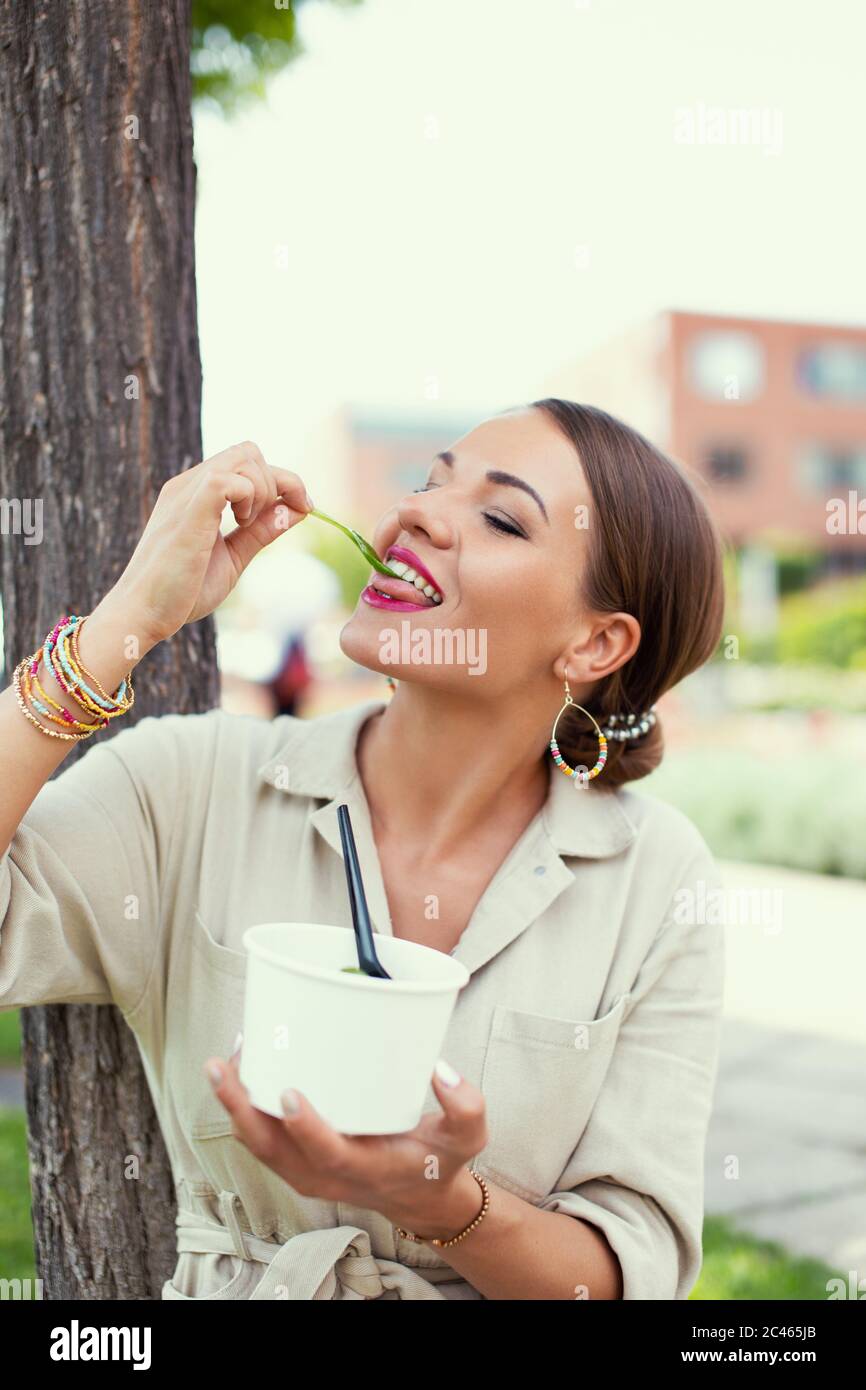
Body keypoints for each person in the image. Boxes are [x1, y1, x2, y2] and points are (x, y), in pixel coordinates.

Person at [0, 399, 726, 1300]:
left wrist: (440, 1201)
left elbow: (627, 1274)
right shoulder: (193, 784)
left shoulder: (655, 879)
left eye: (500, 517)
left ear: (596, 642)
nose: (415, 513)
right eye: (430, 482)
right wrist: (128, 622)